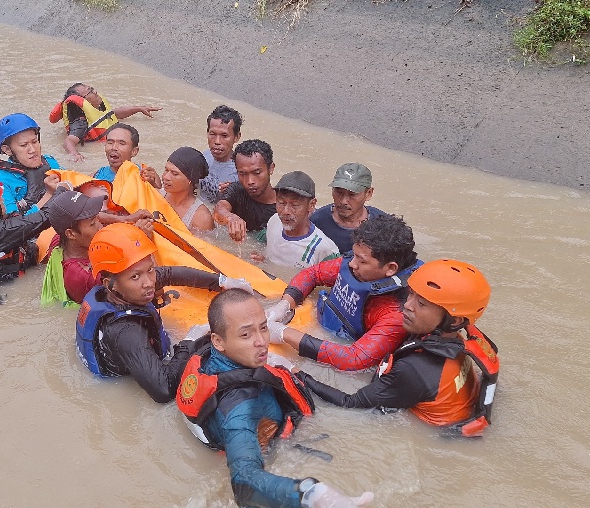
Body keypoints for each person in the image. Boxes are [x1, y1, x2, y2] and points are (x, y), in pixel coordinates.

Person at [176, 289, 375, 508]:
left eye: (263, 327)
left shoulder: (210, 355)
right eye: (246, 335)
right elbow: (244, 482)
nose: (261, 341)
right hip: (276, 449)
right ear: (218, 341)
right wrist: (310, 494)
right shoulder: (239, 410)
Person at [297, 259, 500, 438]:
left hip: (440, 434)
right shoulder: (458, 336)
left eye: (421, 304)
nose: (407, 306)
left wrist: (299, 375)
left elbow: (349, 404)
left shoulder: (413, 370)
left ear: (454, 320)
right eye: (410, 295)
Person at [76, 223, 252, 403]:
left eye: (150, 269)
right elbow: (163, 390)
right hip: (116, 385)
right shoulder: (126, 332)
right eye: (136, 276)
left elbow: (168, 274)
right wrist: (189, 342)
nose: (149, 283)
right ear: (110, 284)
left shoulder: (120, 289)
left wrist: (222, 281)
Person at [264, 214, 423, 372]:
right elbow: (312, 274)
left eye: (361, 261)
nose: (352, 264)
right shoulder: (358, 263)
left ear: (390, 269)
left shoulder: (399, 312)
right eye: (354, 255)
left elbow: (354, 359)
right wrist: (284, 305)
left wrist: (285, 334)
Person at [49, 82, 162, 162]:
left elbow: (114, 114)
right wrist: (75, 155)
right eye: (90, 92)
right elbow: (68, 141)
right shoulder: (81, 123)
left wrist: (139, 108)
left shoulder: (97, 109)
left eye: (92, 88)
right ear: (84, 102)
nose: (95, 92)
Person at [0, 113, 61, 216]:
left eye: (35, 142)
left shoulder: (50, 162)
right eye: (24, 145)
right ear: (7, 150)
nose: (33, 150)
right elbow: (14, 224)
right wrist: (48, 195)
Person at [40, 189, 105, 306]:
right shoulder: (83, 277)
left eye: (97, 218)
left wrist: (126, 219)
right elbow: (129, 287)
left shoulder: (59, 241)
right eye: (93, 223)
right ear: (71, 234)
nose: (101, 226)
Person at [263, 171, 339, 268]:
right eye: (281, 203)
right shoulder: (274, 220)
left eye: (295, 205)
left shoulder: (323, 249)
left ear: (311, 205)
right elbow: (260, 242)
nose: (286, 211)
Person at [310, 163, 387, 255]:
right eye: (339, 192)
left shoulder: (384, 226)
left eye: (352, 194)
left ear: (368, 194)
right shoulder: (316, 222)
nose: (343, 201)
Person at [213, 139, 277, 242]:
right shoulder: (237, 190)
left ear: (271, 168)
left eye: (256, 173)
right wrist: (230, 218)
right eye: (243, 174)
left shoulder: (284, 208)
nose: (250, 181)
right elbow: (218, 210)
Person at [91, 123, 161, 188]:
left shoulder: (148, 175)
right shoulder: (96, 176)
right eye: (110, 142)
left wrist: (151, 185)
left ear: (134, 151)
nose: (114, 147)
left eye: (122, 143)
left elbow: (160, 199)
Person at [163, 146, 214, 232]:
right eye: (166, 170)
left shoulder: (201, 218)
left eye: (174, 173)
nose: (166, 177)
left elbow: (201, 245)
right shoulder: (156, 194)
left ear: (190, 180)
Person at [198, 105, 242, 204]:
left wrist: (236, 193)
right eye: (212, 134)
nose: (217, 141)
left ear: (236, 137)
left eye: (224, 136)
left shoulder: (241, 172)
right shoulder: (204, 156)